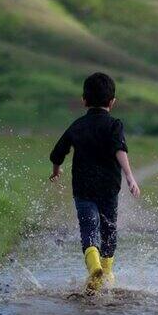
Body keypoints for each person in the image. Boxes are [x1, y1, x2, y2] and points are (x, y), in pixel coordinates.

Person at [49, 72, 140, 292]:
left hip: (83, 189)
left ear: (84, 101)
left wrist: (56, 169)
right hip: (109, 189)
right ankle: (106, 274)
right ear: (112, 102)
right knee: (108, 230)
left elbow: (58, 152)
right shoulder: (114, 125)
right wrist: (130, 177)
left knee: (88, 228)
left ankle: (94, 268)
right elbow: (120, 150)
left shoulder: (77, 125)